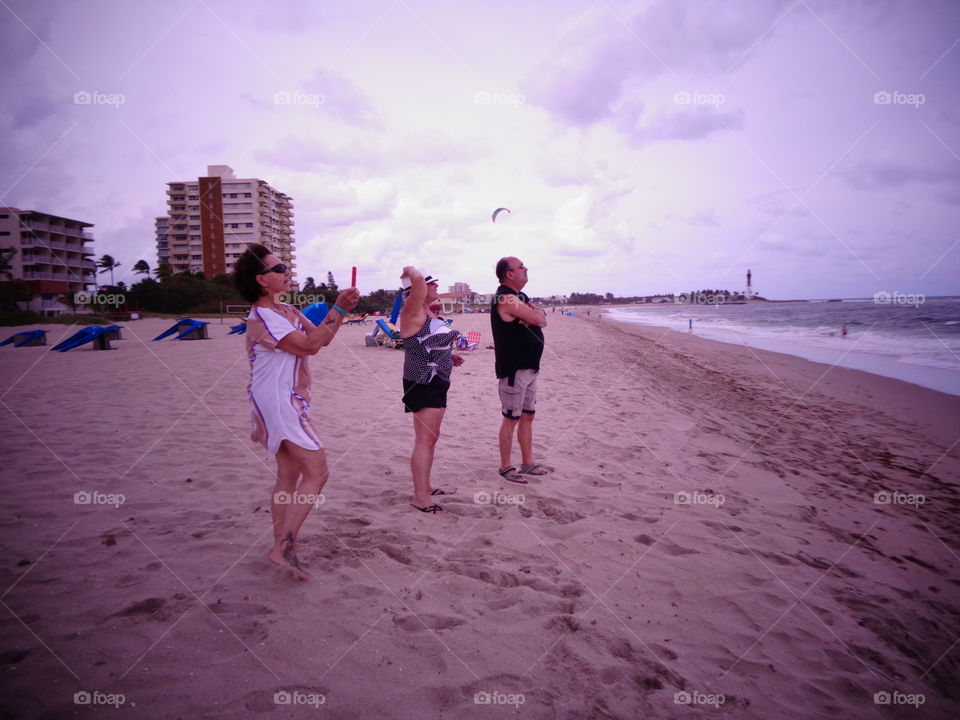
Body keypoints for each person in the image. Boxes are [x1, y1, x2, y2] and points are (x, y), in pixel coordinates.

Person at [233, 244, 359, 580]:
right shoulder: (263, 316)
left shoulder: (285, 309)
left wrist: (341, 311)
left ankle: (282, 541)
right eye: (279, 268)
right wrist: (337, 307)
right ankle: (283, 547)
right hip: (277, 400)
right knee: (318, 471)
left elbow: (320, 341)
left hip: (283, 398)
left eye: (285, 266)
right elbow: (306, 345)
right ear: (262, 280)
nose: (286, 271)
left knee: (289, 473)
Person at [399, 267, 464, 513]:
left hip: (437, 379)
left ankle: (425, 486)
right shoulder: (412, 310)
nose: (437, 286)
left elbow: (426, 344)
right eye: (432, 283)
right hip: (422, 380)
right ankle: (419, 497)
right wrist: (412, 271)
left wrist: (450, 355)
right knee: (424, 439)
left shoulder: (427, 312)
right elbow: (416, 284)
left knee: (431, 437)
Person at [491, 257, 548, 483]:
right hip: (514, 369)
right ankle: (505, 467)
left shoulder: (520, 297)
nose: (526, 269)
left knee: (528, 417)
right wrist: (534, 317)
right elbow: (537, 317)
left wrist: (536, 317)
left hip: (530, 368)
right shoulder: (505, 297)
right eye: (521, 267)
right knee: (511, 419)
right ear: (509, 274)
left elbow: (540, 319)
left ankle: (527, 462)